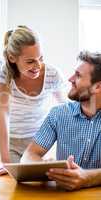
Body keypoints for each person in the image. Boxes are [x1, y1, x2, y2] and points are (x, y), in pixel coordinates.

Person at [0, 25, 65, 177]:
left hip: (36, 142)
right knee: (9, 181)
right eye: (30, 61)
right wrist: (5, 162)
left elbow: (66, 109)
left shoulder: (52, 74)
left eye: (41, 58)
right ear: (12, 58)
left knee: (37, 184)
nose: (38, 66)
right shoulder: (2, 69)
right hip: (8, 140)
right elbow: (2, 114)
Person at [21, 51, 101, 191]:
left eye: (78, 75)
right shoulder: (58, 114)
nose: (70, 79)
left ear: (97, 87)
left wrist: (88, 178)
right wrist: (46, 167)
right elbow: (28, 155)